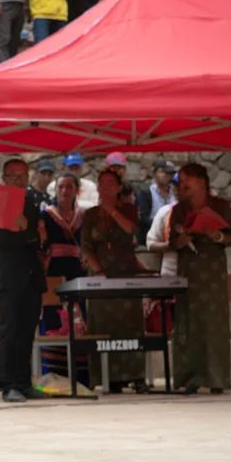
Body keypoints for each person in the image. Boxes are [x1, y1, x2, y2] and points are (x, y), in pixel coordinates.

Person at [168, 164, 231, 394]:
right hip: (188, 273)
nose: (182, 185)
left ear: (201, 181)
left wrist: (215, 234)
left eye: (186, 180)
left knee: (213, 325)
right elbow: (172, 243)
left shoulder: (221, 206)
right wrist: (185, 235)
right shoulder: (179, 209)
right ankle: (190, 378)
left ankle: (217, 378)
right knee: (187, 324)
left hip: (213, 276)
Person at [0, 159, 47, 403]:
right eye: (14, 176)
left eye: (23, 175)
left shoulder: (32, 205)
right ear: (4, 178)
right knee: (9, 331)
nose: (19, 180)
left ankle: (24, 382)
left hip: (32, 277)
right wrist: (23, 232)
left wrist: (26, 232)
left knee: (27, 331)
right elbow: (1, 241)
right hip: (8, 278)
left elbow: (38, 240)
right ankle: (8, 384)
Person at [81, 168, 147, 393]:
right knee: (104, 326)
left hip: (127, 272)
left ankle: (136, 375)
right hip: (101, 274)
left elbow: (133, 232)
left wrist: (113, 212)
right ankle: (107, 376)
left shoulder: (128, 209)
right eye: (102, 183)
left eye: (111, 183)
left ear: (119, 187)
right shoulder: (89, 215)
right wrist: (98, 270)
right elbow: (86, 247)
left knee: (131, 325)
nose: (106, 187)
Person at [40, 172, 89, 381]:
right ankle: (54, 376)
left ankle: (80, 377)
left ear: (76, 191)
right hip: (54, 275)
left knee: (79, 322)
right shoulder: (45, 217)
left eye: (69, 187)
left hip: (77, 274)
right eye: (60, 187)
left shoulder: (84, 217)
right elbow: (41, 247)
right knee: (54, 323)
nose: (64, 191)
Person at [135, 159, 177, 243]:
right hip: (151, 239)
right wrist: (163, 226)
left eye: (169, 173)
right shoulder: (146, 193)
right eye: (162, 172)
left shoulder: (175, 193)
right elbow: (143, 218)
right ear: (154, 174)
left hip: (173, 237)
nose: (166, 175)